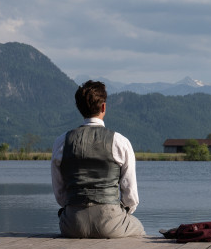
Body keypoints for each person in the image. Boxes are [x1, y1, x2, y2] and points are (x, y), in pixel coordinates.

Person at [51, 80, 145, 238]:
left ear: (79, 108)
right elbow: (131, 197)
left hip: (73, 224)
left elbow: (60, 194)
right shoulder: (119, 141)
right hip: (109, 221)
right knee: (139, 229)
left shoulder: (61, 142)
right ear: (103, 107)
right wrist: (122, 211)